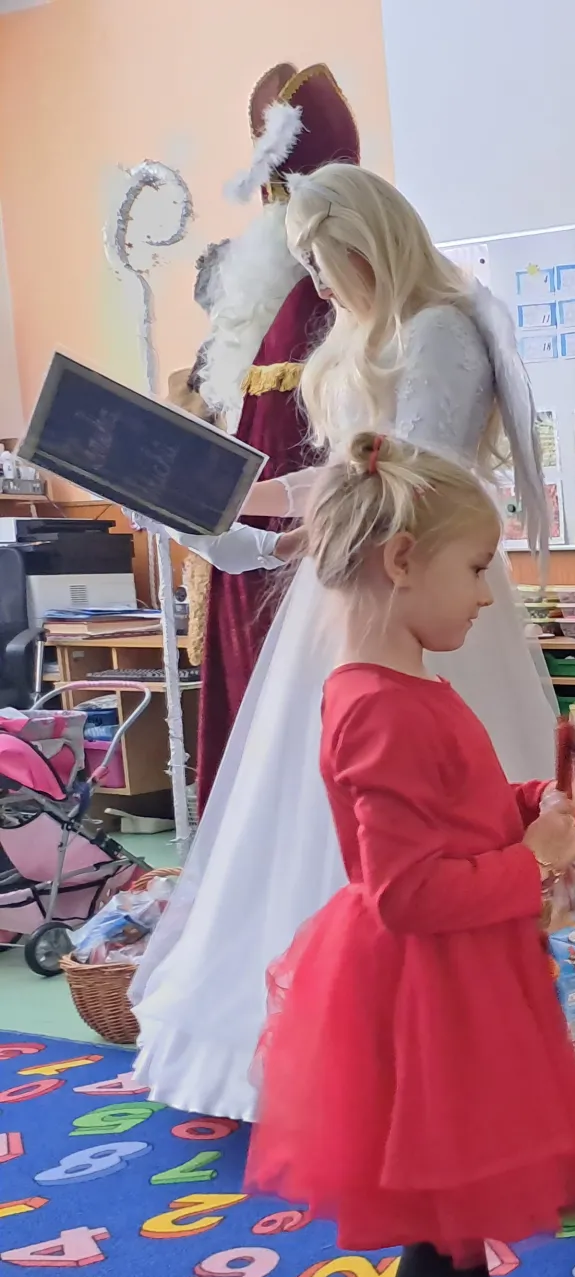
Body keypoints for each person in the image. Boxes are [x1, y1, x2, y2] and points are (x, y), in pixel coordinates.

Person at [131, 163, 558, 1121]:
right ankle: (337, 1032)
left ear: (371, 245)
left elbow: (419, 487)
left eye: (326, 262)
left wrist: (277, 519)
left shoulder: (439, 330)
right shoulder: (363, 334)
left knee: (431, 797)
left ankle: (445, 1044)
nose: (319, 284)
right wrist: (244, 508)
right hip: (361, 594)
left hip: (423, 589)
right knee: (326, 805)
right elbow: (348, 480)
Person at [246, 432, 575, 1277]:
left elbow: (447, 813)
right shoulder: (378, 707)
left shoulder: (404, 685)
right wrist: (537, 863)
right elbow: (408, 893)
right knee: (436, 1236)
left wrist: (523, 803)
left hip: (461, 977)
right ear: (400, 562)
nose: (483, 596)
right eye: (475, 569)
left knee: (459, 1215)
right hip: (429, 992)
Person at [174, 61, 360, 810]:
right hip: (259, 549)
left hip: (294, 568)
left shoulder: (305, 310)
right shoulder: (272, 308)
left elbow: (295, 464)